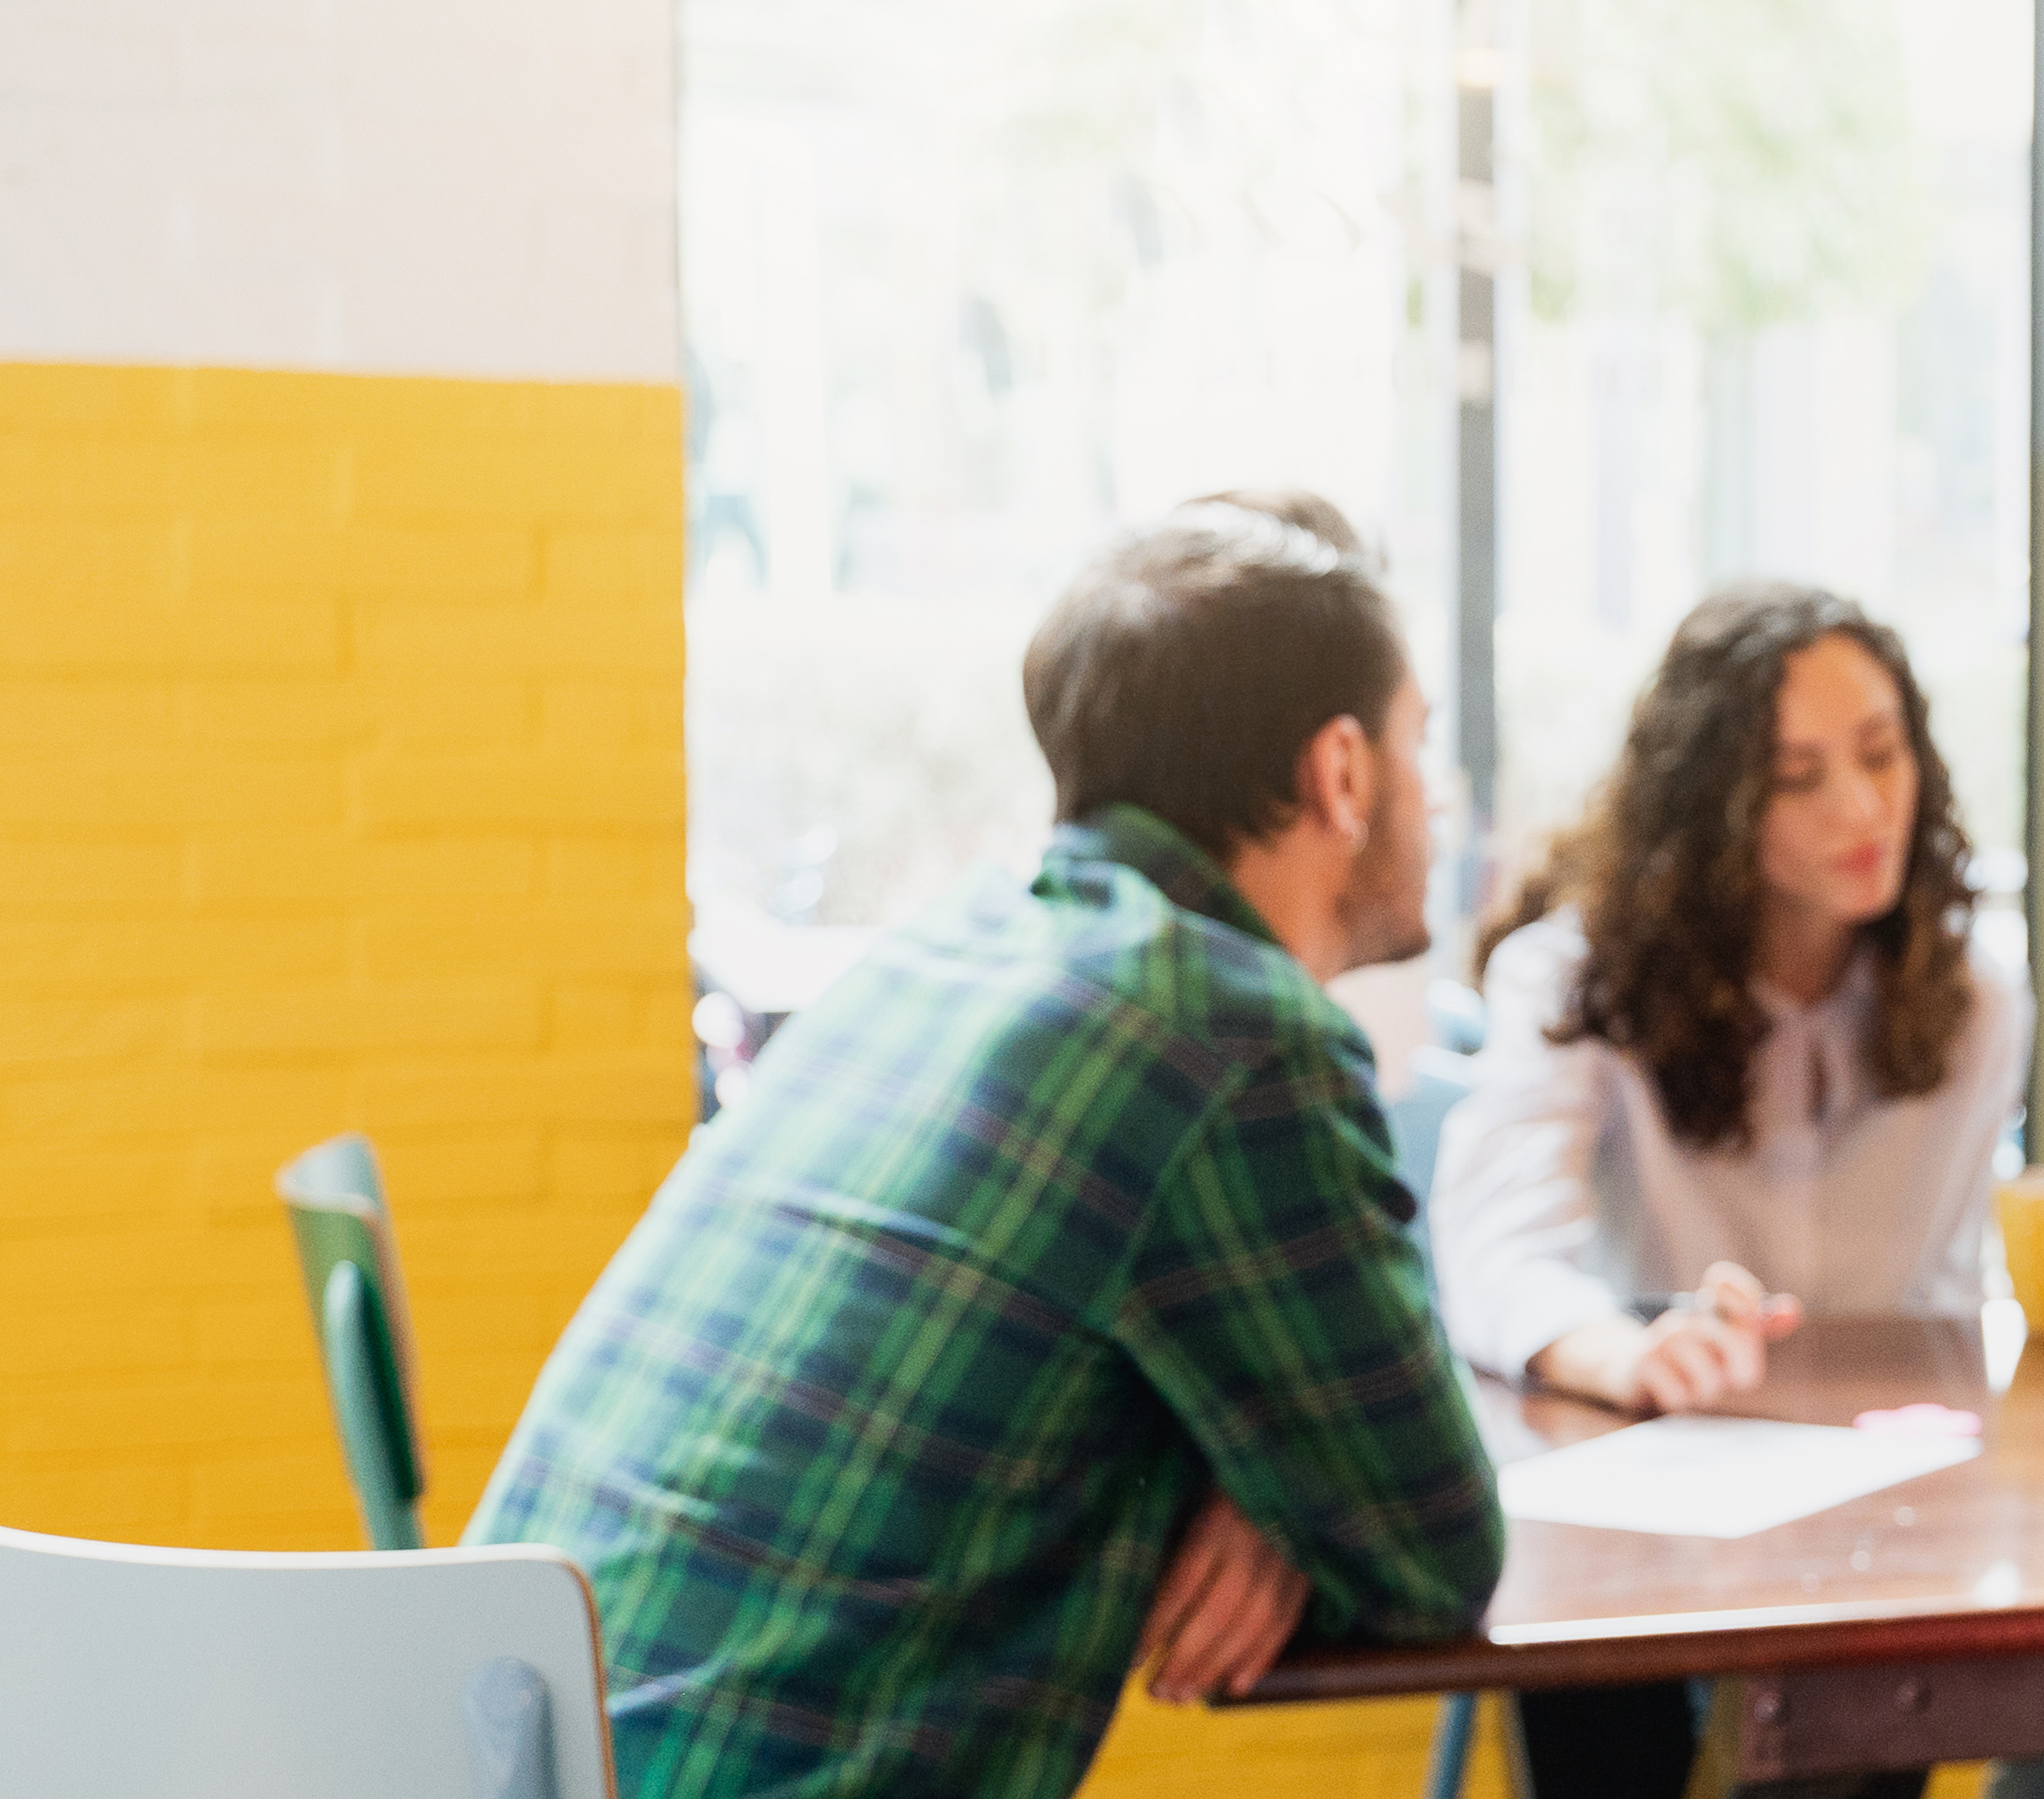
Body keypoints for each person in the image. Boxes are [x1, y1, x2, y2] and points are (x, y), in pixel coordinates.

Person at [473, 492, 1500, 1798]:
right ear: (1342, 771)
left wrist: (1289, 1490)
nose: (1443, 792)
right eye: (1423, 742)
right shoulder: (1231, 1038)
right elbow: (1430, 1547)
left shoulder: (946, 951)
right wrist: (1305, 1490)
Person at [1433, 585, 2044, 1799]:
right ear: (1711, 810)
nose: (1864, 807)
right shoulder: (1575, 978)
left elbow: (1942, 1283)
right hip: (1636, 1474)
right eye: (1798, 778)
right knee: (1594, 1680)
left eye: (1883, 755)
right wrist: (1619, 1350)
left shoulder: (1975, 995)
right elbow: (1493, 1242)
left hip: (1882, 1489)